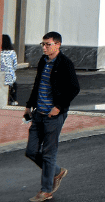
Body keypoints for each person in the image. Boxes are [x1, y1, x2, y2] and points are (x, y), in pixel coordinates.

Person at [24, 31, 79, 201]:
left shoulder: (65, 63)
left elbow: (74, 88)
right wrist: (28, 105)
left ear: (58, 44)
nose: (44, 47)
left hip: (53, 115)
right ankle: (56, 171)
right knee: (31, 151)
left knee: (48, 154)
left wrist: (58, 107)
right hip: (38, 113)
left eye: (48, 44)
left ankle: (46, 190)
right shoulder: (43, 61)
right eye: (43, 44)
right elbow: (38, 84)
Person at [2, 34, 18, 106]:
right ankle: (13, 100)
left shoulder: (0, 53)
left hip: (1, 76)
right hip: (10, 77)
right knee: (14, 84)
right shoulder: (12, 53)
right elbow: (15, 66)